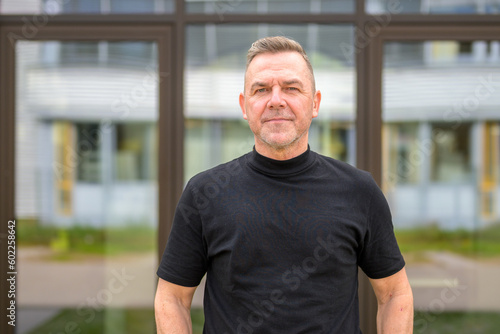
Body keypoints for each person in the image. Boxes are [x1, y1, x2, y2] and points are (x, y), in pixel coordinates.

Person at [155, 36, 413, 333]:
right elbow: (171, 297)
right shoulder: (204, 193)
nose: (276, 100)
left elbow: (395, 294)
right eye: (261, 89)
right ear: (245, 105)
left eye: (291, 88)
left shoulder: (359, 190)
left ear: (314, 103)